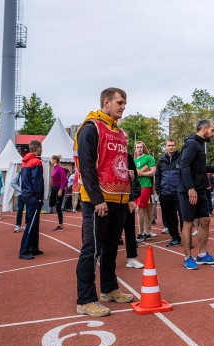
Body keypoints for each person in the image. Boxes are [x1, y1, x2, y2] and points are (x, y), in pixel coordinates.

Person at [74, 87, 134, 317]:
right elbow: (86, 167)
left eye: (125, 103)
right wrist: (97, 199)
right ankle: (85, 299)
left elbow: (121, 166)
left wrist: (128, 197)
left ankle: (109, 289)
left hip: (118, 200)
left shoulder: (119, 133)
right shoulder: (90, 128)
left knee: (110, 248)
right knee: (92, 250)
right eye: (119, 102)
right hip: (97, 201)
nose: (123, 107)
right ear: (106, 103)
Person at [177, 119, 214, 270]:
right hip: (189, 191)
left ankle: (202, 255)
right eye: (212, 130)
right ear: (205, 129)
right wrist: (190, 188)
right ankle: (187, 257)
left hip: (200, 190)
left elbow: (200, 168)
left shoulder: (200, 144)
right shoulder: (192, 143)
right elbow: (184, 165)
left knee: (205, 220)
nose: (213, 134)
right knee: (188, 223)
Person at [121, 131, 144, 269]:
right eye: (122, 137)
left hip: (127, 199)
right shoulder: (110, 155)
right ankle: (101, 255)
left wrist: (133, 197)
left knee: (130, 229)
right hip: (113, 199)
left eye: (127, 137)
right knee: (111, 232)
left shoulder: (129, 157)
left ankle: (131, 258)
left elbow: (135, 180)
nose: (124, 139)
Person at [19, 141, 45, 259]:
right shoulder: (36, 162)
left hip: (26, 194)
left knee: (34, 222)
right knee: (31, 223)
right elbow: (37, 181)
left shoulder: (24, 162)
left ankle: (34, 248)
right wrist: (39, 197)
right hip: (33, 196)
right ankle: (24, 251)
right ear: (38, 148)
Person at [155, 138, 183, 247]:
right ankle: (175, 238)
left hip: (179, 193)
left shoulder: (181, 158)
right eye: (169, 145)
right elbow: (157, 176)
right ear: (165, 146)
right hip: (165, 194)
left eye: (172, 145)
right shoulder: (161, 160)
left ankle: (186, 239)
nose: (171, 147)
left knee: (183, 217)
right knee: (170, 217)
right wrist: (159, 191)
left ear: (176, 146)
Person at [134, 141, 157, 242]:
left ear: (143, 148)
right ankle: (146, 233)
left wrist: (141, 173)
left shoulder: (148, 158)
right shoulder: (134, 160)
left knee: (140, 209)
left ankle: (140, 233)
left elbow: (153, 172)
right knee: (141, 210)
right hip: (136, 187)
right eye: (137, 147)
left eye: (140, 147)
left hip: (146, 186)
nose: (139, 149)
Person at [49, 155, 68, 232]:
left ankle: (61, 225)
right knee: (51, 203)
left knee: (58, 207)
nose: (50, 160)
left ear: (55, 160)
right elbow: (55, 177)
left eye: (51, 159)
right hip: (54, 188)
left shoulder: (59, 168)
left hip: (58, 189)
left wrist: (61, 189)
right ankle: (55, 208)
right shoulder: (54, 168)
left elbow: (65, 180)